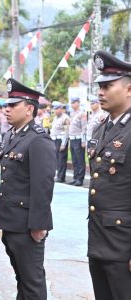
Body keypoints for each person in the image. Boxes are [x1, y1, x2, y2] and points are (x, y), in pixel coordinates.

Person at [0, 78, 56, 300]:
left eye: (13, 105)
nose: (7, 109)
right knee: (22, 277)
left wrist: (39, 225)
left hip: (27, 226)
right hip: (11, 221)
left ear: (29, 109)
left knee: (32, 282)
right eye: (6, 105)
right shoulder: (12, 135)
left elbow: (43, 186)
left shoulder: (38, 140)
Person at [87, 50, 131, 300]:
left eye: (108, 86)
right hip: (100, 241)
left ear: (129, 90)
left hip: (124, 246)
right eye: (99, 86)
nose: (101, 92)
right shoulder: (101, 127)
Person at [68, 96, 87, 186]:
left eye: (74, 102)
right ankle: (75, 177)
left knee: (80, 160)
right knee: (74, 160)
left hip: (79, 139)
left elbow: (84, 128)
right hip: (72, 139)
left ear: (78, 103)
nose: (72, 104)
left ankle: (80, 179)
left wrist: (83, 141)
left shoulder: (82, 114)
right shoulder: (72, 113)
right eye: (71, 102)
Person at [50, 101, 70, 183]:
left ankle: (61, 177)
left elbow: (66, 132)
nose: (55, 111)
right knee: (56, 159)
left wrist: (63, 144)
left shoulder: (65, 118)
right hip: (54, 140)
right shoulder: (55, 118)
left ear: (61, 109)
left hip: (60, 140)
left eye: (57, 109)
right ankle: (58, 175)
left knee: (62, 159)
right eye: (54, 109)